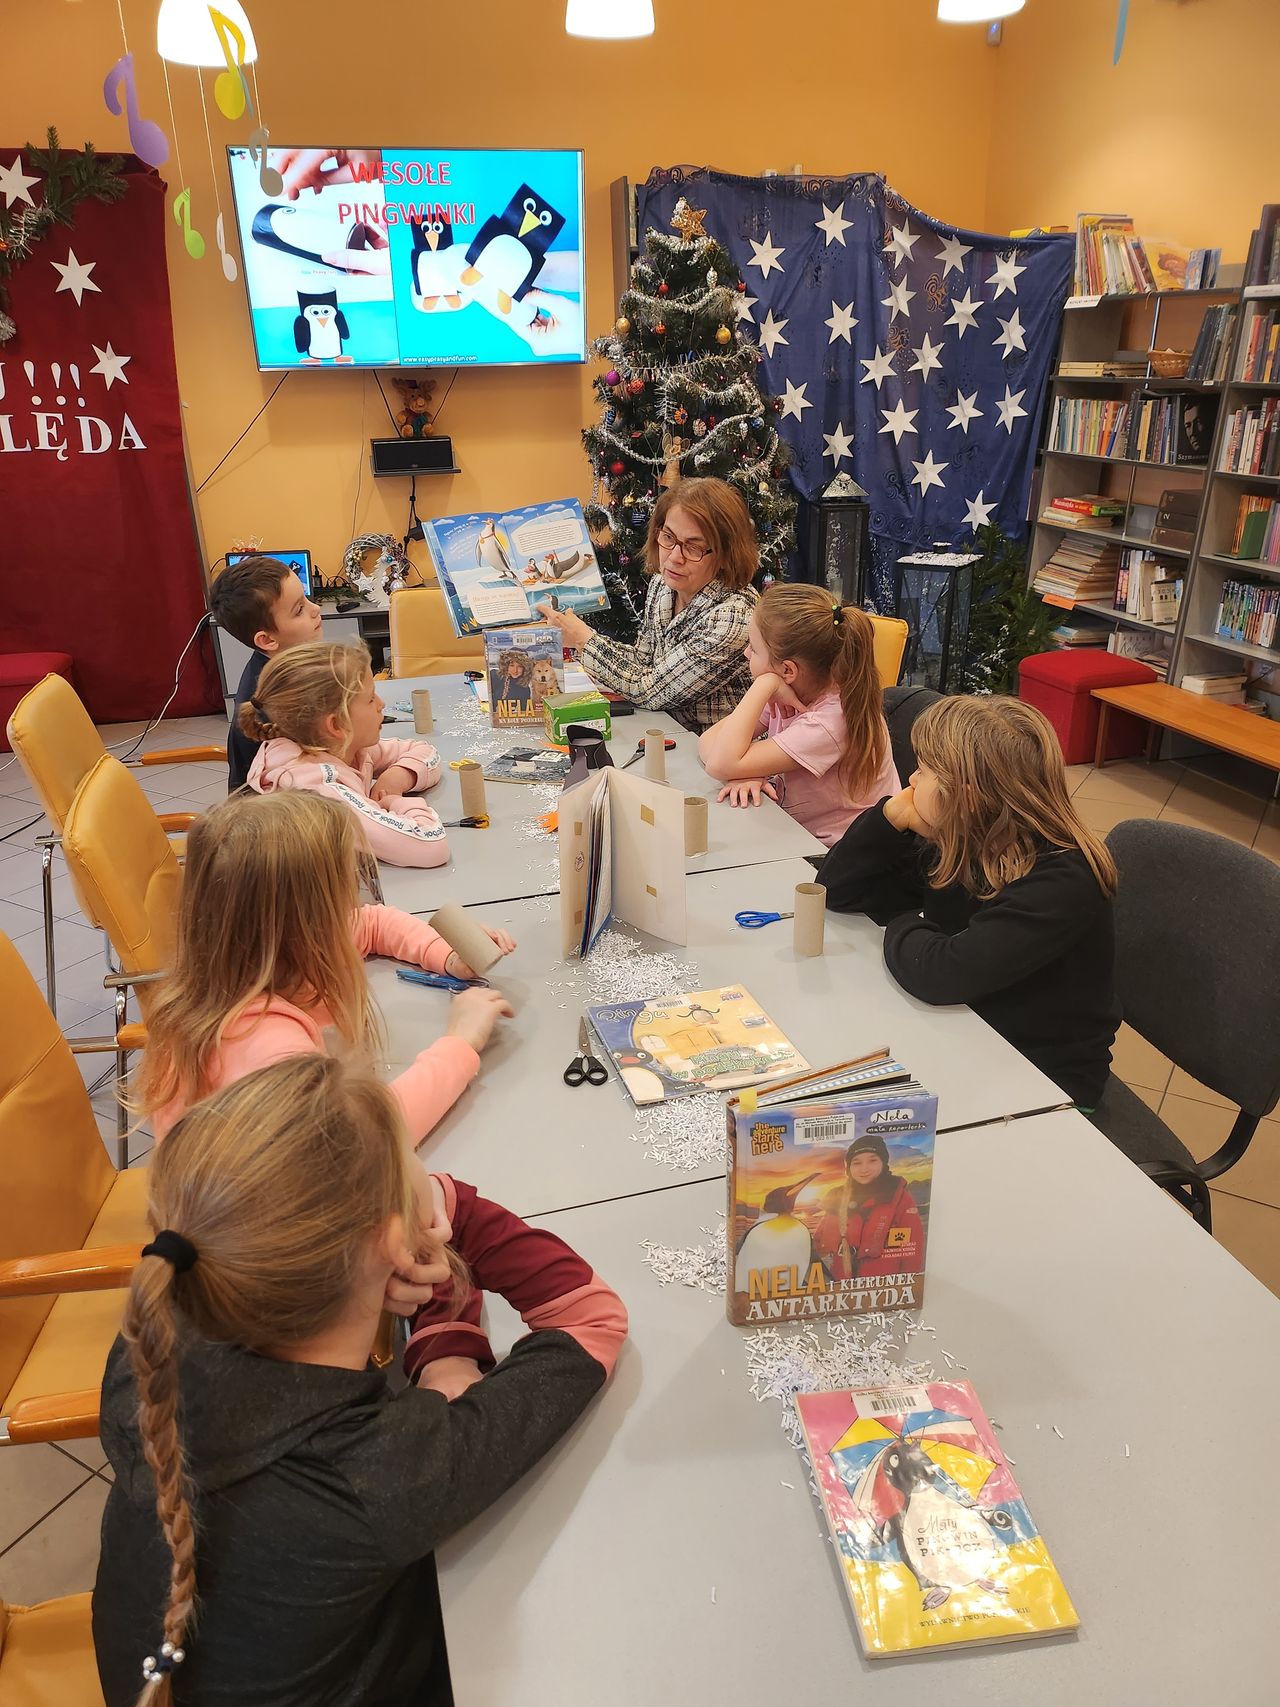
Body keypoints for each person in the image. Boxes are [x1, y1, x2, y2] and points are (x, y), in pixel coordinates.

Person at [93, 1054, 627, 1707]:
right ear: (398, 1243)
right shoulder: (382, 1470)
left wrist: (400, 1276)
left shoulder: (149, 1343)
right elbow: (591, 1318)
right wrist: (453, 1209)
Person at [134, 790, 513, 1146]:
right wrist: (460, 1042)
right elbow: (364, 1143)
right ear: (306, 926)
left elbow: (371, 923)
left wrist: (447, 956)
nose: (352, 908)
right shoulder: (268, 1047)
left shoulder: (253, 954)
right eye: (344, 895)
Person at [818, 695, 1119, 1109]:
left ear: (968, 797)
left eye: (923, 771)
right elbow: (837, 891)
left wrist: (902, 920)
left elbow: (941, 973)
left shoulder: (1064, 881)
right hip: (967, 1029)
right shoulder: (964, 837)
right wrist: (890, 818)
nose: (911, 780)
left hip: (1043, 1078)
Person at [537, 476, 759, 732]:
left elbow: (650, 691)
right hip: (666, 732)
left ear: (726, 554)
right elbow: (643, 661)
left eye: (693, 548)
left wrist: (583, 639)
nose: (674, 557)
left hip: (715, 748)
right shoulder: (664, 585)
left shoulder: (734, 616)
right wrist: (578, 637)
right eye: (668, 537)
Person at [698, 585, 898, 847]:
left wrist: (764, 684)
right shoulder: (794, 691)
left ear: (788, 670)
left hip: (834, 853)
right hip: (795, 831)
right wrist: (747, 771)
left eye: (754, 649)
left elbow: (718, 764)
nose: (746, 653)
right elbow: (708, 742)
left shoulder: (829, 722)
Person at [243, 640, 449, 866]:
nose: (381, 704)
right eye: (371, 698)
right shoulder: (320, 794)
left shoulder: (342, 747)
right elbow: (430, 847)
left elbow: (423, 750)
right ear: (336, 725)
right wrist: (394, 801)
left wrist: (397, 777)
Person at [208, 555, 323, 791]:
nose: (316, 609)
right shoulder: (279, 707)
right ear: (268, 640)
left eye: (307, 598)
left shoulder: (287, 668)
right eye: (299, 609)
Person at [814, 1135, 925, 1282]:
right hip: (841, 1285)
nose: (864, 1169)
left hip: (883, 1287)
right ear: (849, 1168)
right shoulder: (836, 1198)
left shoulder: (899, 1197)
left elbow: (913, 1248)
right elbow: (817, 1243)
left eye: (872, 1160)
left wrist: (905, 1286)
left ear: (883, 1162)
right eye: (857, 1163)